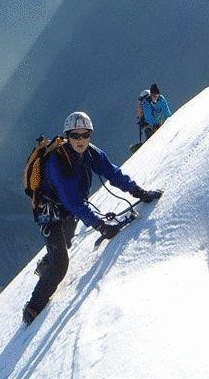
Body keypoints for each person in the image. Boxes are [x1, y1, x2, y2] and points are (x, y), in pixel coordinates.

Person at [23, 111, 162, 325]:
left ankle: (46, 263)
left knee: (66, 241)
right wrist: (100, 225)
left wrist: (139, 191)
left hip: (67, 209)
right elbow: (73, 201)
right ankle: (32, 309)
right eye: (75, 136)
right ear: (67, 136)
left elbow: (113, 173)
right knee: (60, 264)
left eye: (85, 135)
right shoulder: (56, 162)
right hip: (47, 211)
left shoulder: (90, 154)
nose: (80, 140)